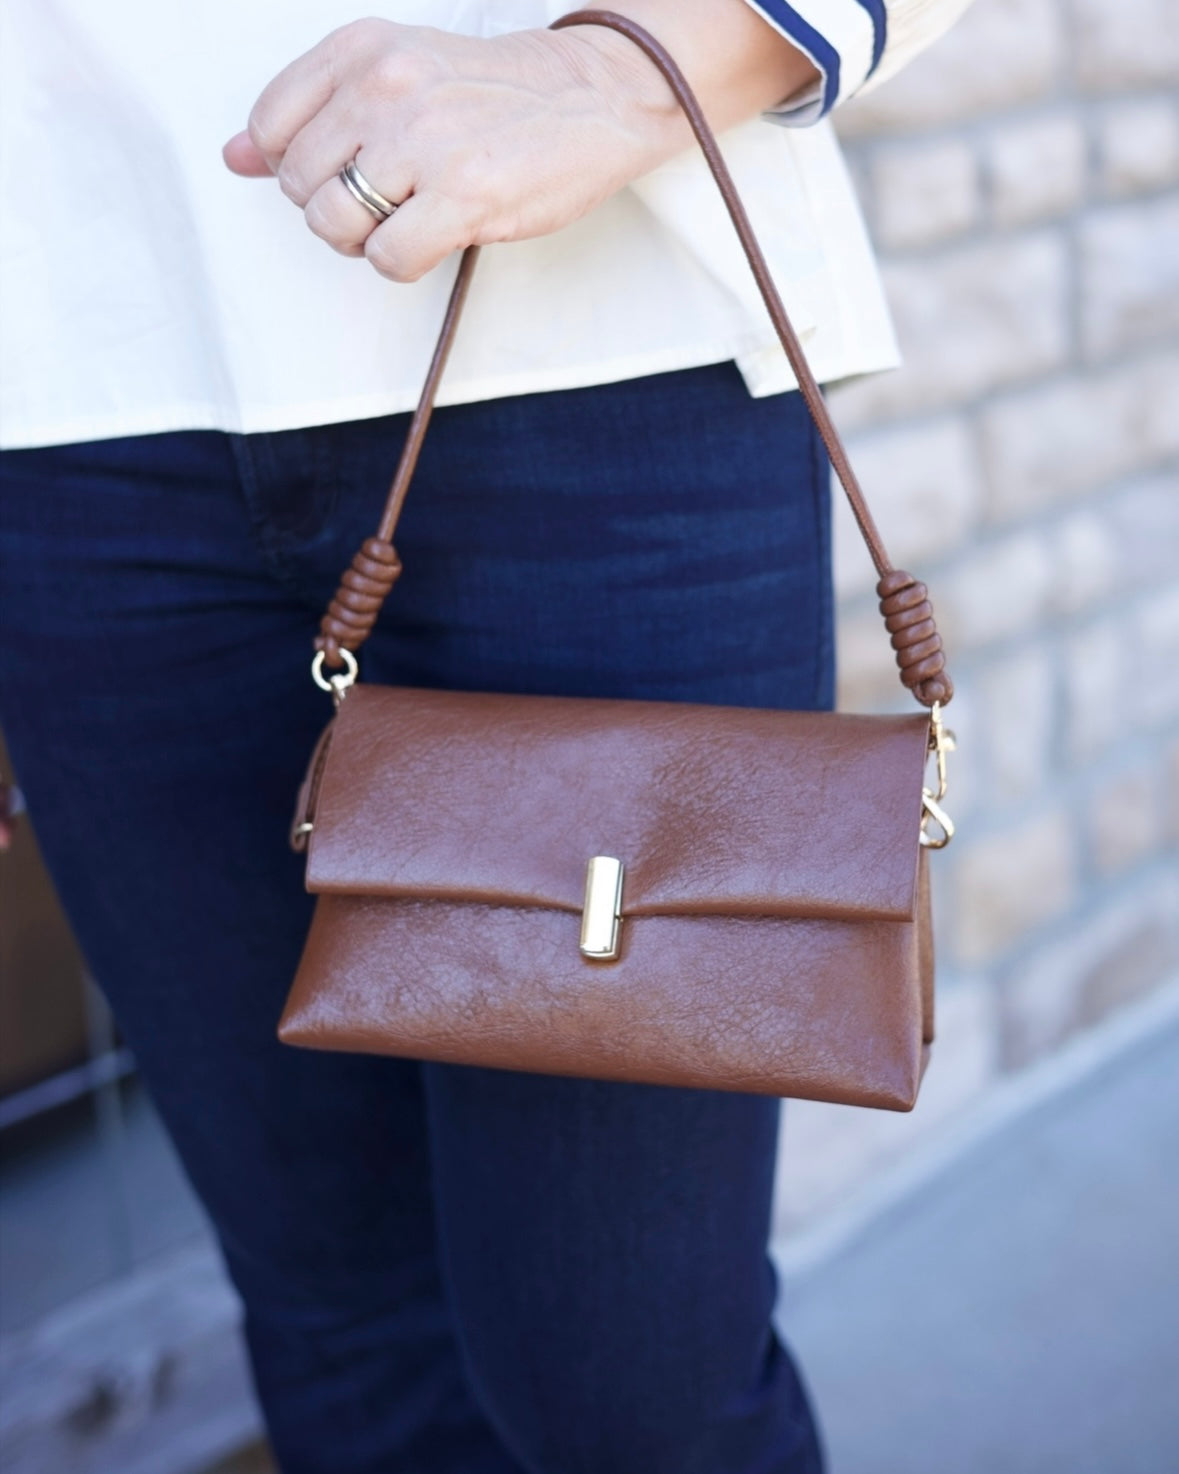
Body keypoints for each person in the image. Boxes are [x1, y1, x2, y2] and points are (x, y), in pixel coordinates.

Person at [0, 2, 973, 1470]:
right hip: (68, 415)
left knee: (633, 1388)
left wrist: (615, 70)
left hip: (606, 364)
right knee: (340, 1339)